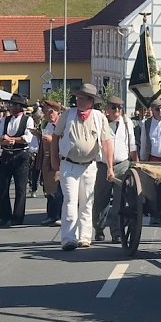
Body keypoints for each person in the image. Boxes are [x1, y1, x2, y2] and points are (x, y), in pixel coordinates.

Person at [51, 84, 115, 251]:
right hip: (69, 164)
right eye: (77, 97)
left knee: (87, 202)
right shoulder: (68, 115)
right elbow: (55, 137)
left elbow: (107, 143)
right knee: (70, 201)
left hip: (89, 166)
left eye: (82, 98)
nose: (78, 100)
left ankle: (84, 237)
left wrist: (110, 167)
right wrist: (54, 162)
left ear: (91, 101)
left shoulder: (99, 117)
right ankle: (68, 238)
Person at [93, 96, 138, 243]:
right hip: (103, 165)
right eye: (114, 107)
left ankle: (116, 232)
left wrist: (136, 163)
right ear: (107, 109)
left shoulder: (127, 122)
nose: (117, 111)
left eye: (120, 108)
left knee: (120, 200)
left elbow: (132, 144)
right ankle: (99, 228)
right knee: (101, 199)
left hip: (122, 164)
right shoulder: (101, 121)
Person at [0, 94, 35, 227]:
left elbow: (28, 138)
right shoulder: (5, 120)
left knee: (20, 188)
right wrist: (3, 140)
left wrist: (13, 140)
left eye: (12, 104)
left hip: (21, 155)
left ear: (19, 107)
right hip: (6, 155)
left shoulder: (28, 120)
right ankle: (4, 216)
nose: (9, 107)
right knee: (2, 186)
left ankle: (18, 217)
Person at [39, 100, 64, 227]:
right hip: (47, 159)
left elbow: (66, 142)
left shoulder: (61, 124)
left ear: (52, 112)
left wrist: (52, 139)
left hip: (58, 159)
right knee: (49, 189)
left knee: (57, 189)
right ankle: (51, 215)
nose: (43, 114)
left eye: (45, 111)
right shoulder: (48, 125)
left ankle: (58, 215)